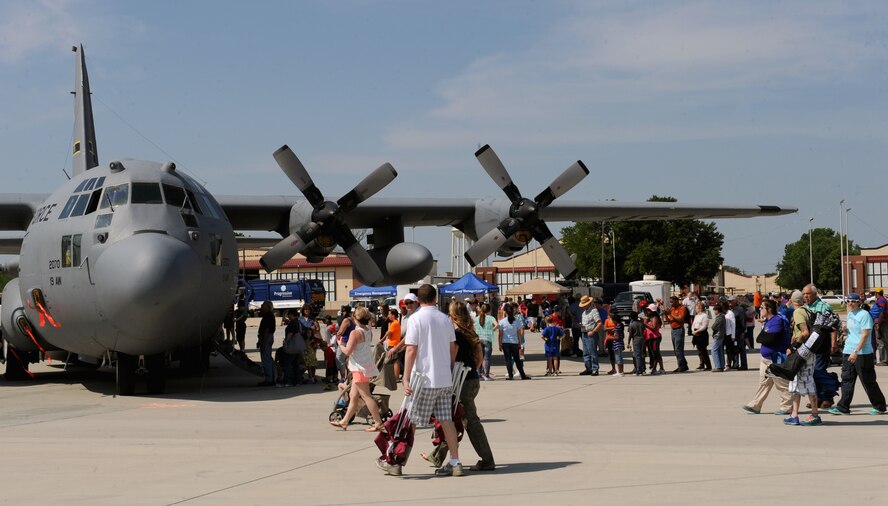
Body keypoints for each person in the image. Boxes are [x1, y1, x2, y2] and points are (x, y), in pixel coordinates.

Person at [377, 284, 462, 477]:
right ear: (435, 298)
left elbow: (411, 349)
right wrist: (448, 369)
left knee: (409, 421)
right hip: (443, 379)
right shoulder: (445, 319)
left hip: (423, 379)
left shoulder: (416, 319)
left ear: (418, 300)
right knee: (446, 419)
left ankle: (397, 461)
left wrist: (405, 378)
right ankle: (455, 461)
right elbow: (452, 348)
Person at [422, 300, 496, 471]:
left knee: (464, 421)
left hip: (460, 381)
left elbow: (451, 357)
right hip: (471, 379)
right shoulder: (469, 331)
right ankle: (438, 455)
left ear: (453, 315)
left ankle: (486, 459)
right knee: (455, 419)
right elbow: (479, 358)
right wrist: (472, 371)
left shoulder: (455, 333)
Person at [829, 293, 887, 415]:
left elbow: (865, 335)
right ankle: (843, 407)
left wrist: (856, 352)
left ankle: (879, 405)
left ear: (858, 302)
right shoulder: (850, 314)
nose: (850, 303)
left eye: (853, 301)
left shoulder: (864, 315)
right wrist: (844, 331)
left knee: (868, 381)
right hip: (848, 350)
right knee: (847, 379)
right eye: (848, 301)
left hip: (862, 353)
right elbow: (853, 331)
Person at [330, 307, 385, 431]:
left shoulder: (355, 333)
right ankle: (344, 421)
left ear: (356, 318)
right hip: (364, 366)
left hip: (359, 368)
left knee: (366, 396)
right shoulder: (368, 330)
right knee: (353, 395)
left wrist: (340, 344)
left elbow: (348, 351)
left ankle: (378, 423)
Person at [741, 299, 792, 415]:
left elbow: (769, 339)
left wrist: (763, 336)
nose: (760, 309)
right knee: (763, 383)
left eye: (762, 307)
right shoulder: (768, 321)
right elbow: (761, 337)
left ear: (769, 310)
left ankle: (787, 407)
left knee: (781, 383)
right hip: (765, 358)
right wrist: (763, 334)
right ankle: (756, 405)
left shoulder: (777, 321)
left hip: (775, 358)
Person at [785, 291, 821, 426]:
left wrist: (793, 345)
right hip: (807, 351)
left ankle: (815, 414)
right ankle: (794, 414)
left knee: (807, 381)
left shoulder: (798, 312)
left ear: (792, 301)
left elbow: (805, 332)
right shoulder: (807, 310)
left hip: (803, 352)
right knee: (795, 382)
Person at [803, 284, 839, 408]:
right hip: (809, 347)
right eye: (804, 294)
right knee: (812, 373)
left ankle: (828, 398)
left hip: (822, 346)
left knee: (819, 371)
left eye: (808, 294)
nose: (805, 296)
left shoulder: (823, 307)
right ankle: (817, 398)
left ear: (814, 294)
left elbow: (833, 325)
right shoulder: (805, 308)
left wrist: (834, 343)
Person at [499, 304, 531, 380]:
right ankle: (522, 375)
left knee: (508, 360)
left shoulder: (502, 322)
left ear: (506, 312)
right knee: (517, 359)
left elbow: (500, 334)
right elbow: (519, 334)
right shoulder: (517, 321)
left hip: (505, 343)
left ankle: (510, 375)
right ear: (513, 312)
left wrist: (499, 344)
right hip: (514, 343)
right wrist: (520, 343)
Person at [578, 295, 602, 376]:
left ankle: (595, 369)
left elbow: (599, 323)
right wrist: (581, 325)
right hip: (584, 332)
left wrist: (593, 331)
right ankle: (588, 368)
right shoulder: (584, 313)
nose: (583, 307)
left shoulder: (594, 311)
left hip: (591, 334)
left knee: (592, 352)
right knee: (586, 352)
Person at [666, 296, 690, 372]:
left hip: (679, 329)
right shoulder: (672, 309)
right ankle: (684, 365)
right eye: (670, 302)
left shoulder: (682, 308)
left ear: (676, 301)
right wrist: (666, 314)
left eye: (672, 302)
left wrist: (671, 314)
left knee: (678, 349)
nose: (671, 303)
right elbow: (669, 320)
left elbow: (680, 319)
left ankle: (681, 366)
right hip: (673, 330)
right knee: (676, 349)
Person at [474, 303, 497, 380]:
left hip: (479, 339)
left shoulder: (476, 318)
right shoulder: (491, 318)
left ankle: (479, 374)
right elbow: (497, 325)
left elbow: (472, 327)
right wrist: (492, 330)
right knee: (487, 358)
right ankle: (486, 375)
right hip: (487, 339)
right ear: (489, 310)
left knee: (479, 357)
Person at [298, 305, 320, 383]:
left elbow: (318, 328)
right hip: (303, 341)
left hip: (312, 341)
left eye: (308, 309)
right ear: (303, 310)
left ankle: (313, 376)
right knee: (303, 360)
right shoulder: (300, 319)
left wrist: (314, 328)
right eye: (305, 309)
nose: (307, 311)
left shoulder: (313, 319)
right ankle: (302, 376)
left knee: (313, 360)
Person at [335, 306, 356, 384]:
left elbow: (341, 332)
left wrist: (337, 336)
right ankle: (349, 378)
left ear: (345, 312)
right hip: (352, 341)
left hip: (344, 342)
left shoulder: (346, 320)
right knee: (349, 361)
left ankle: (343, 377)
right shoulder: (353, 319)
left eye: (342, 311)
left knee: (339, 359)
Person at [257, 300, 276, 386]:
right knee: (268, 358)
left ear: (268, 307)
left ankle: (269, 379)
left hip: (267, 338)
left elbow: (266, 330)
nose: (261, 306)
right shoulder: (268, 315)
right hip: (268, 337)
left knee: (266, 359)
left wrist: (263, 343)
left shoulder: (268, 316)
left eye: (263, 305)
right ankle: (271, 377)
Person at [868, 288, 888, 365]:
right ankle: (884, 359)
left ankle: (884, 360)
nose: (874, 295)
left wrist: (878, 324)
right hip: (881, 322)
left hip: (881, 323)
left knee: (881, 341)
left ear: (877, 293)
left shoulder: (881, 301)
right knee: (882, 341)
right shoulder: (882, 300)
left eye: (875, 293)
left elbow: (882, 312)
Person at [381, 308, 402, 380]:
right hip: (395, 343)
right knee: (394, 360)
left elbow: (388, 334)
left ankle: (396, 377)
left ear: (393, 315)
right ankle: (395, 376)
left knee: (395, 361)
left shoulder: (394, 323)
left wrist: (381, 340)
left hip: (393, 344)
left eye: (390, 314)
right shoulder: (397, 322)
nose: (389, 316)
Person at [691, 301, 712, 370]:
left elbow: (704, 326)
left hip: (702, 333)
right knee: (699, 350)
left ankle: (708, 365)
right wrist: (693, 331)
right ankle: (702, 363)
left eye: (696, 308)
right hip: (696, 333)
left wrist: (697, 331)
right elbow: (693, 324)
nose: (695, 310)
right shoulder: (696, 316)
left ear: (700, 308)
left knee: (703, 350)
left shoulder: (704, 316)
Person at [644, 305, 665, 374]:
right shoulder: (650, 318)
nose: (647, 311)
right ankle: (656, 368)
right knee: (654, 354)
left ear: (652, 311)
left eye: (648, 310)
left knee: (656, 354)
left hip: (655, 338)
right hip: (651, 338)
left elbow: (654, 328)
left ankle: (659, 368)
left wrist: (645, 324)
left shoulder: (655, 318)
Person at [604, 309, 624, 377]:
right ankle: (619, 371)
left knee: (618, 358)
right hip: (618, 343)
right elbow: (605, 328)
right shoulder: (617, 325)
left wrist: (609, 338)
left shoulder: (617, 327)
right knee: (618, 357)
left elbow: (617, 337)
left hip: (617, 344)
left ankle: (620, 372)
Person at [627, 309, 646, 375]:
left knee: (637, 355)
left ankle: (639, 370)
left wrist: (628, 342)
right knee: (642, 354)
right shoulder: (641, 323)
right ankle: (643, 369)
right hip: (642, 339)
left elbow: (630, 335)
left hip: (636, 340)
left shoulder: (632, 325)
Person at [710, 303, 726, 372]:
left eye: (714, 310)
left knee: (714, 350)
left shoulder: (720, 318)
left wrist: (713, 328)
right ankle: (721, 365)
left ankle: (718, 366)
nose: (714, 312)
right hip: (721, 335)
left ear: (717, 310)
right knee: (719, 351)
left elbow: (714, 326)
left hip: (718, 335)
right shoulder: (722, 316)